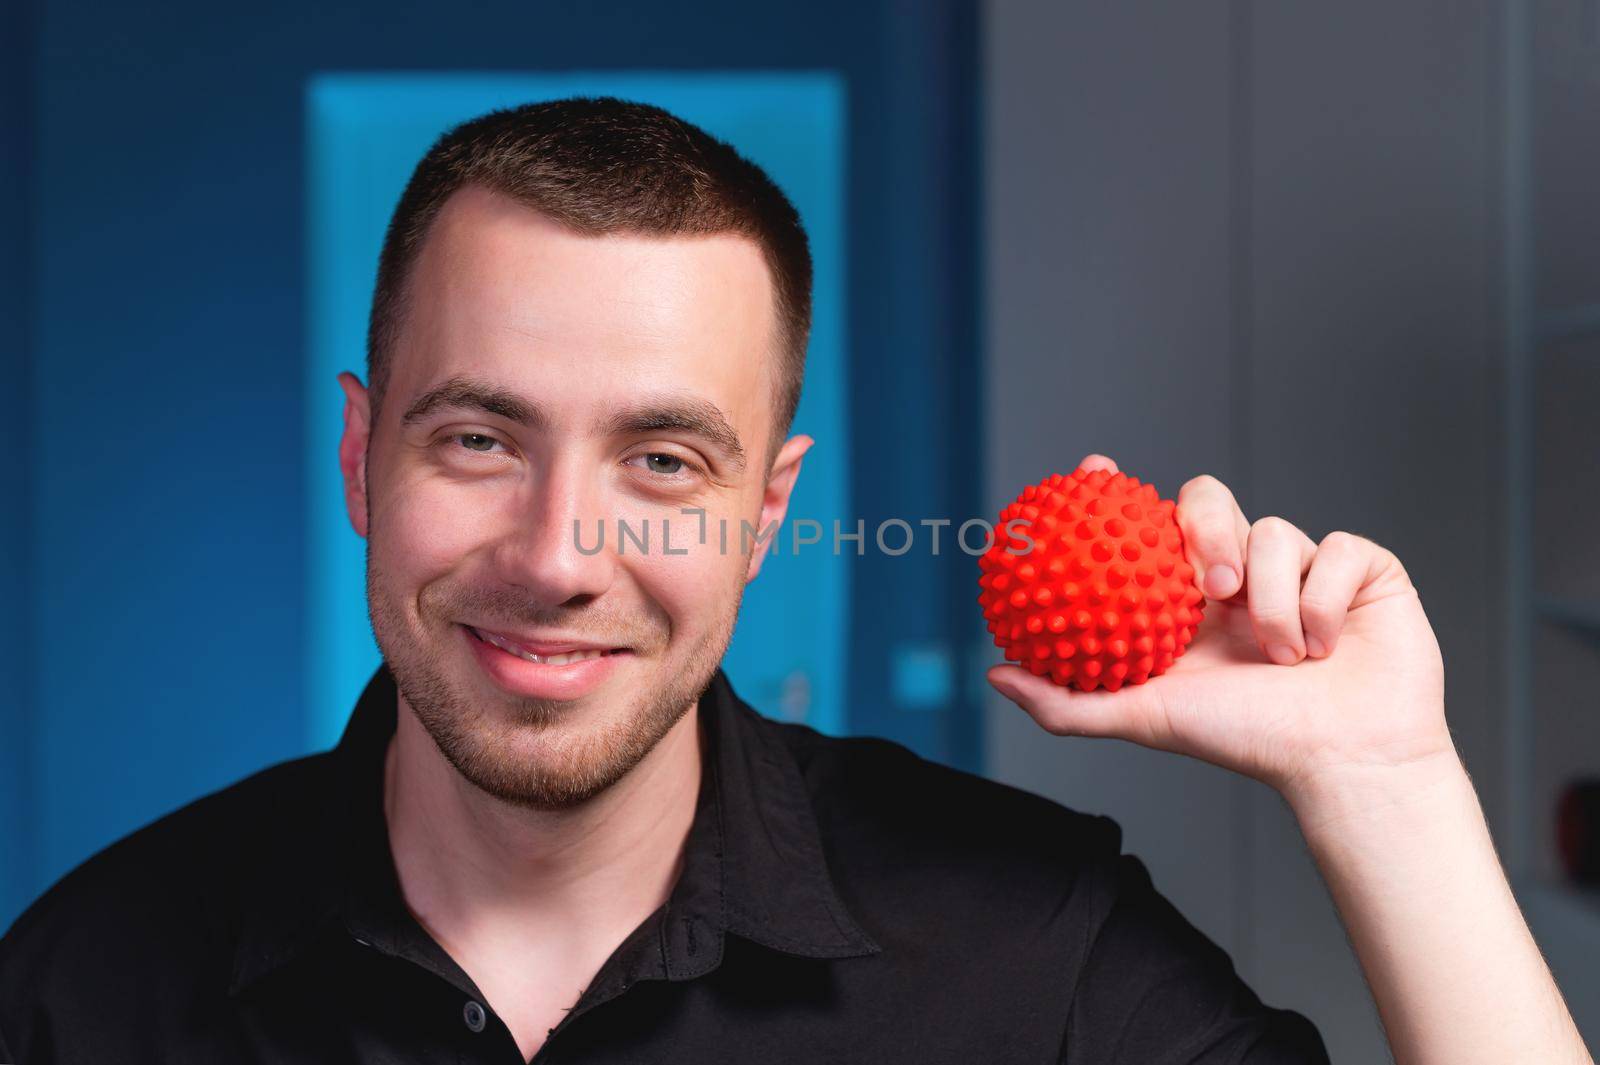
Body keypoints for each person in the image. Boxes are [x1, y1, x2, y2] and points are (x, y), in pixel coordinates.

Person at [0, 96, 1588, 1065]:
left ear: (769, 514)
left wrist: (1388, 781)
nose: (559, 555)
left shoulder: (1033, 950)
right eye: (479, 437)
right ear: (362, 460)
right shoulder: (84, 981)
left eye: (665, 463)